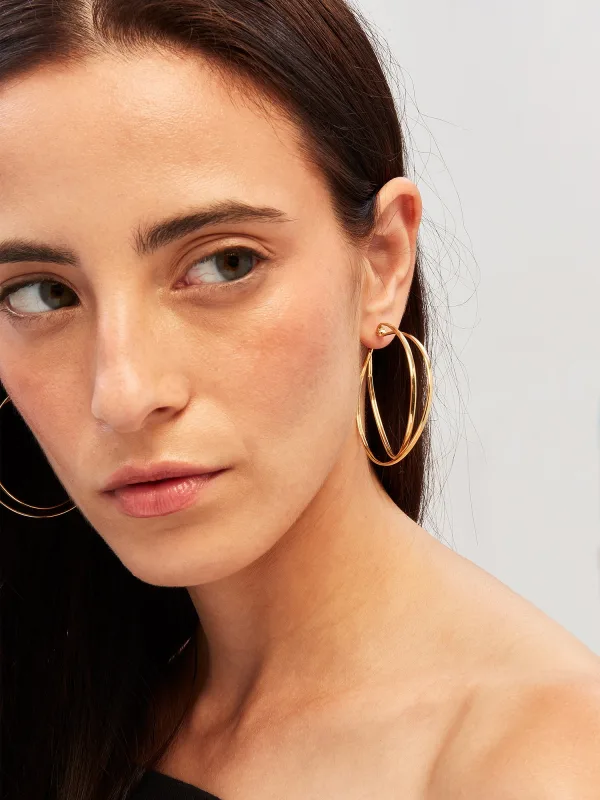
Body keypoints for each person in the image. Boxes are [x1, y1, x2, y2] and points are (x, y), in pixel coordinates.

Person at [0, 1, 599, 799]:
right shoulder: (66, 697)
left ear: (383, 263)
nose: (125, 393)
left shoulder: (537, 764)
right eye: (42, 293)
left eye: (225, 264)